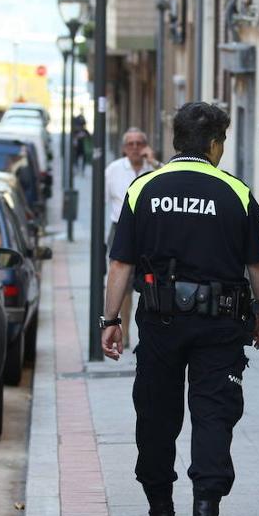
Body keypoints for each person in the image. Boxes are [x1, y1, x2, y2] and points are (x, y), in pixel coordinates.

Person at [101, 102, 259, 516]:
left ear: (177, 142)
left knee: (157, 414)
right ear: (216, 144)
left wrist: (111, 319)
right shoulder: (235, 191)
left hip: (159, 322)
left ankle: (160, 512)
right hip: (220, 325)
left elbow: (120, 263)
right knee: (213, 413)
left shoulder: (143, 189)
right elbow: (257, 262)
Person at [105, 128, 161, 351]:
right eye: (131, 144)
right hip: (121, 228)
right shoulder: (113, 170)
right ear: (123, 148)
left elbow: (173, 176)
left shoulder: (155, 169)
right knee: (123, 284)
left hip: (150, 231)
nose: (136, 148)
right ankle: (125, 334)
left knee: (151, 282)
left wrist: (154, 161)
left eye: (140, 143)